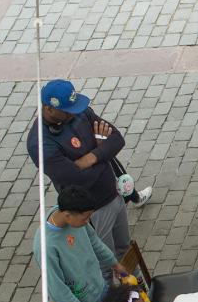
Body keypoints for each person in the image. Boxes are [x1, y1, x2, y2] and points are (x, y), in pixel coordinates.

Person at [27, 79, 148, 264]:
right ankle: (115, 293)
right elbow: (78, 180)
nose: (73, 114)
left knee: (126, 249)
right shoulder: (40, 144)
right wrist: (102, 150)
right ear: (48, 108)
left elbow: (116, 139)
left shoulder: (79, 112)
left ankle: (138, 289)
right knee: (107, 261)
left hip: (114, 194)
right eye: (67, 110)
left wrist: (91, 158)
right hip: (92, 210)